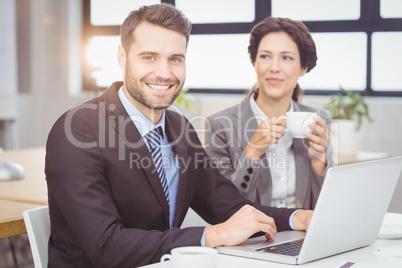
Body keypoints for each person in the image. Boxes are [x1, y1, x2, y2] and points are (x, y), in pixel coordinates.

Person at [45, 5, 313, 267]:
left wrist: (299, 218)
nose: (164, 73)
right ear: (122, 57)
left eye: (175, 59)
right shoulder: (77, 130)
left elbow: (233, 208)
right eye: (149, 57)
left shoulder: (178, 127)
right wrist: (213, 235)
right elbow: (105, 246)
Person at [205, 17, 335, 210]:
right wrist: (252, 152)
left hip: (305, 236)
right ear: (254, 63)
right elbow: (223, 209)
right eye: (265, 56)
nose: (274, 67)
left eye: (287, 58)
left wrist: (319, 163)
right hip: (250, 239)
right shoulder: (220, 125)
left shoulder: (318, 119)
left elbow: (326, 207)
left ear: (303, 68)